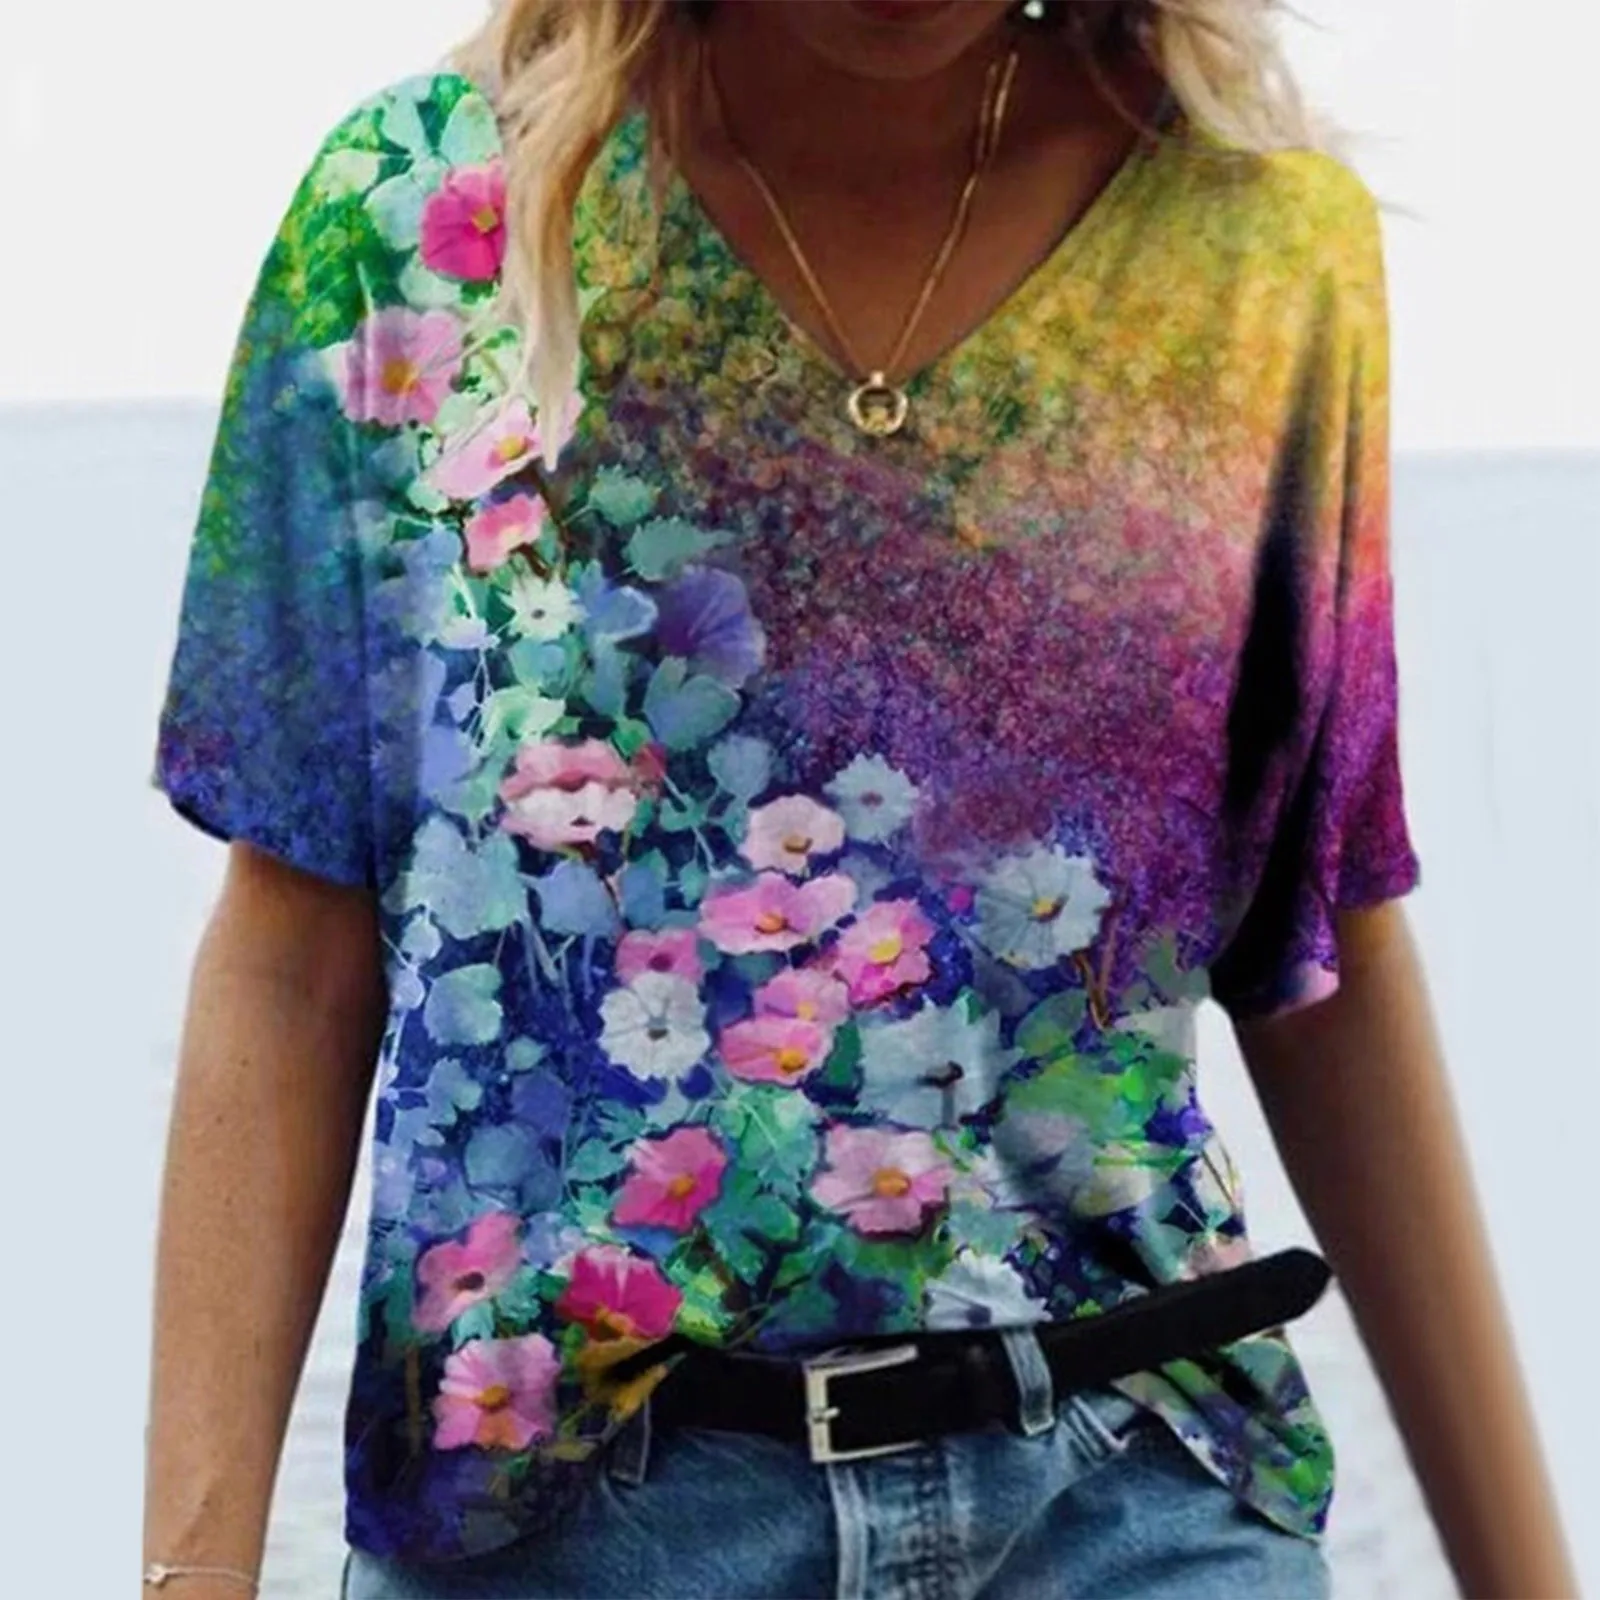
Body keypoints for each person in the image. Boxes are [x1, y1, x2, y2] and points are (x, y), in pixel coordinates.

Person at [140, 2, 1579, 1597]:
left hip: (1131, 1505)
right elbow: (294, 951)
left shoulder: (1254, 248)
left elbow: (1322, 943)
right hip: (572, 1536)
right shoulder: (420, 222)